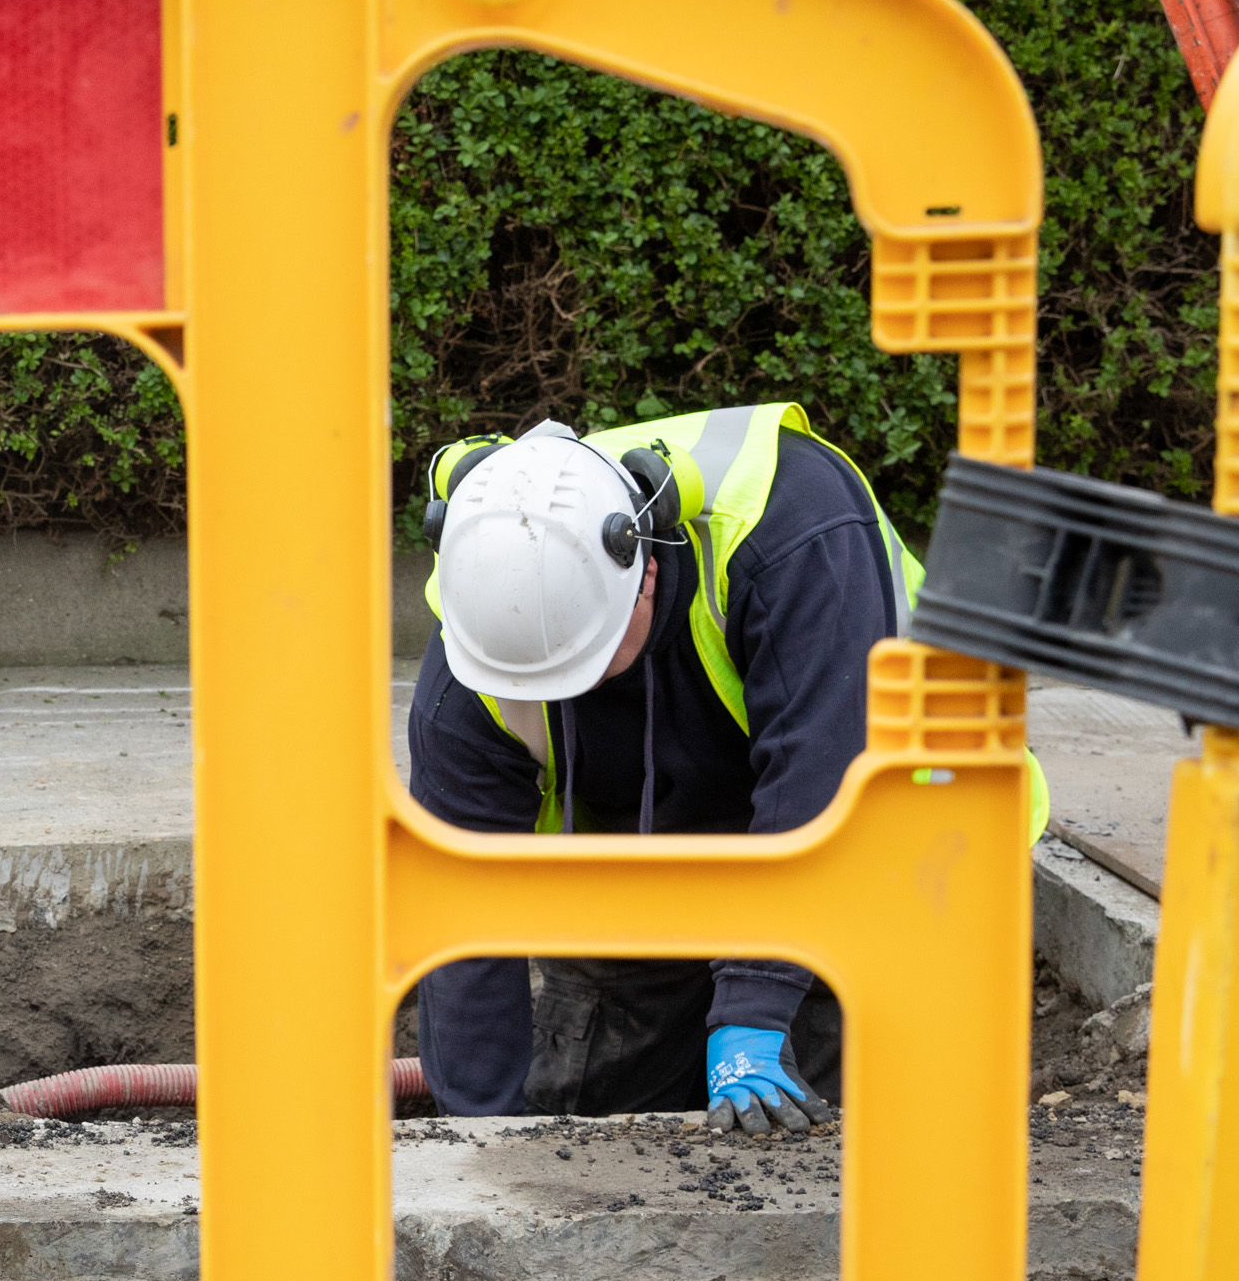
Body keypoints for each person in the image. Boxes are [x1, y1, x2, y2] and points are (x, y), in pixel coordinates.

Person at [402, 402, 1032, 1136]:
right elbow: (463, 907)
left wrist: (752, 1010)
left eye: (592, 658)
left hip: (902, 837)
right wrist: (478, 1134)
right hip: (667, 871)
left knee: (851, 1142)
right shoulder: (482, 633)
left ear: (643, 569)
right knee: (585, 1127)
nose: (573, 689)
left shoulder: (798, 536)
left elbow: (821, 790)